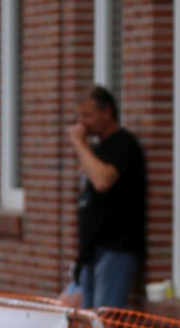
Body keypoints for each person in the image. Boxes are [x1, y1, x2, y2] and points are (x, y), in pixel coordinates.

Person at [60, 87, 146, 308]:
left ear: (106, 112)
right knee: (89, 319)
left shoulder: (122, 143)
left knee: (104, 319)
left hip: (115, 249)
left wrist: (79, 144)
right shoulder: (97, 148)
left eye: (87, 115)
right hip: (91, 250)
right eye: (79, 116)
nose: (82, 123)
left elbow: (103, 181)